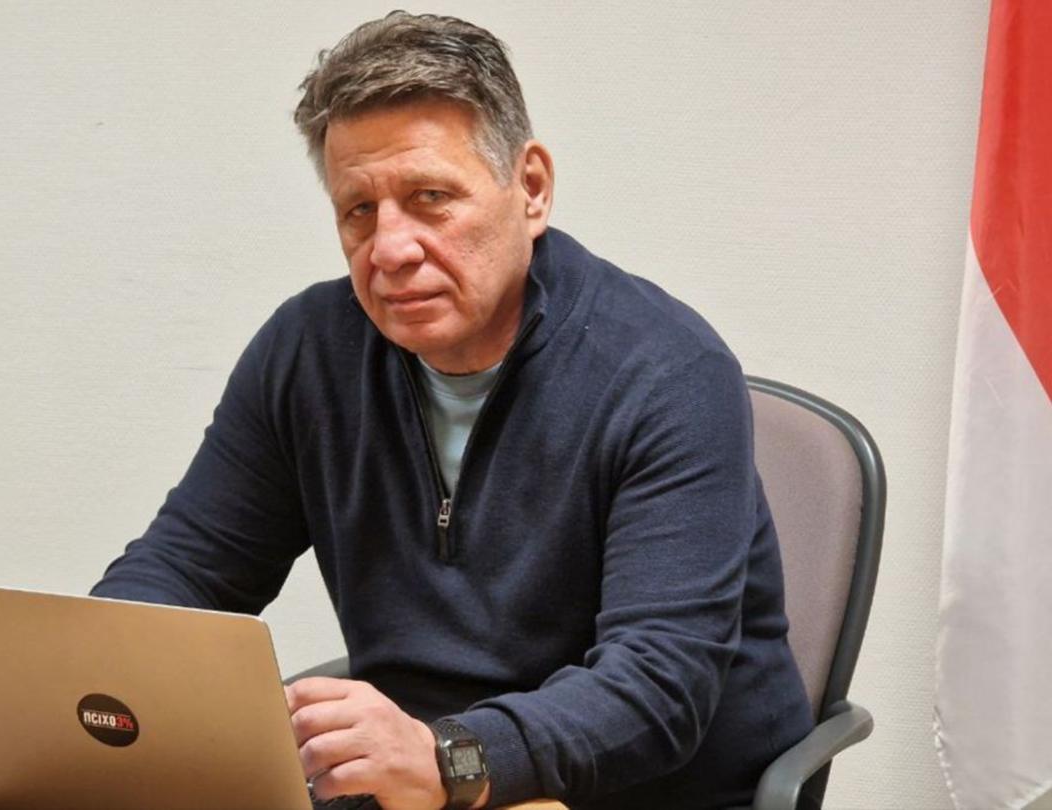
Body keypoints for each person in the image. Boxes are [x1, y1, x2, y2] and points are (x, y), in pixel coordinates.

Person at [91, 11, 814, 810]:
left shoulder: (667, 372)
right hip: (418, 785)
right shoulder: (309, 354)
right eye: (358, 210)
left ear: (530, 188)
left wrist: (449, 757)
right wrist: (89, 675)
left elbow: (656, 688)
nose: (390, 248)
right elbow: (188, 569)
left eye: (430, 197)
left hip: (638, 790)